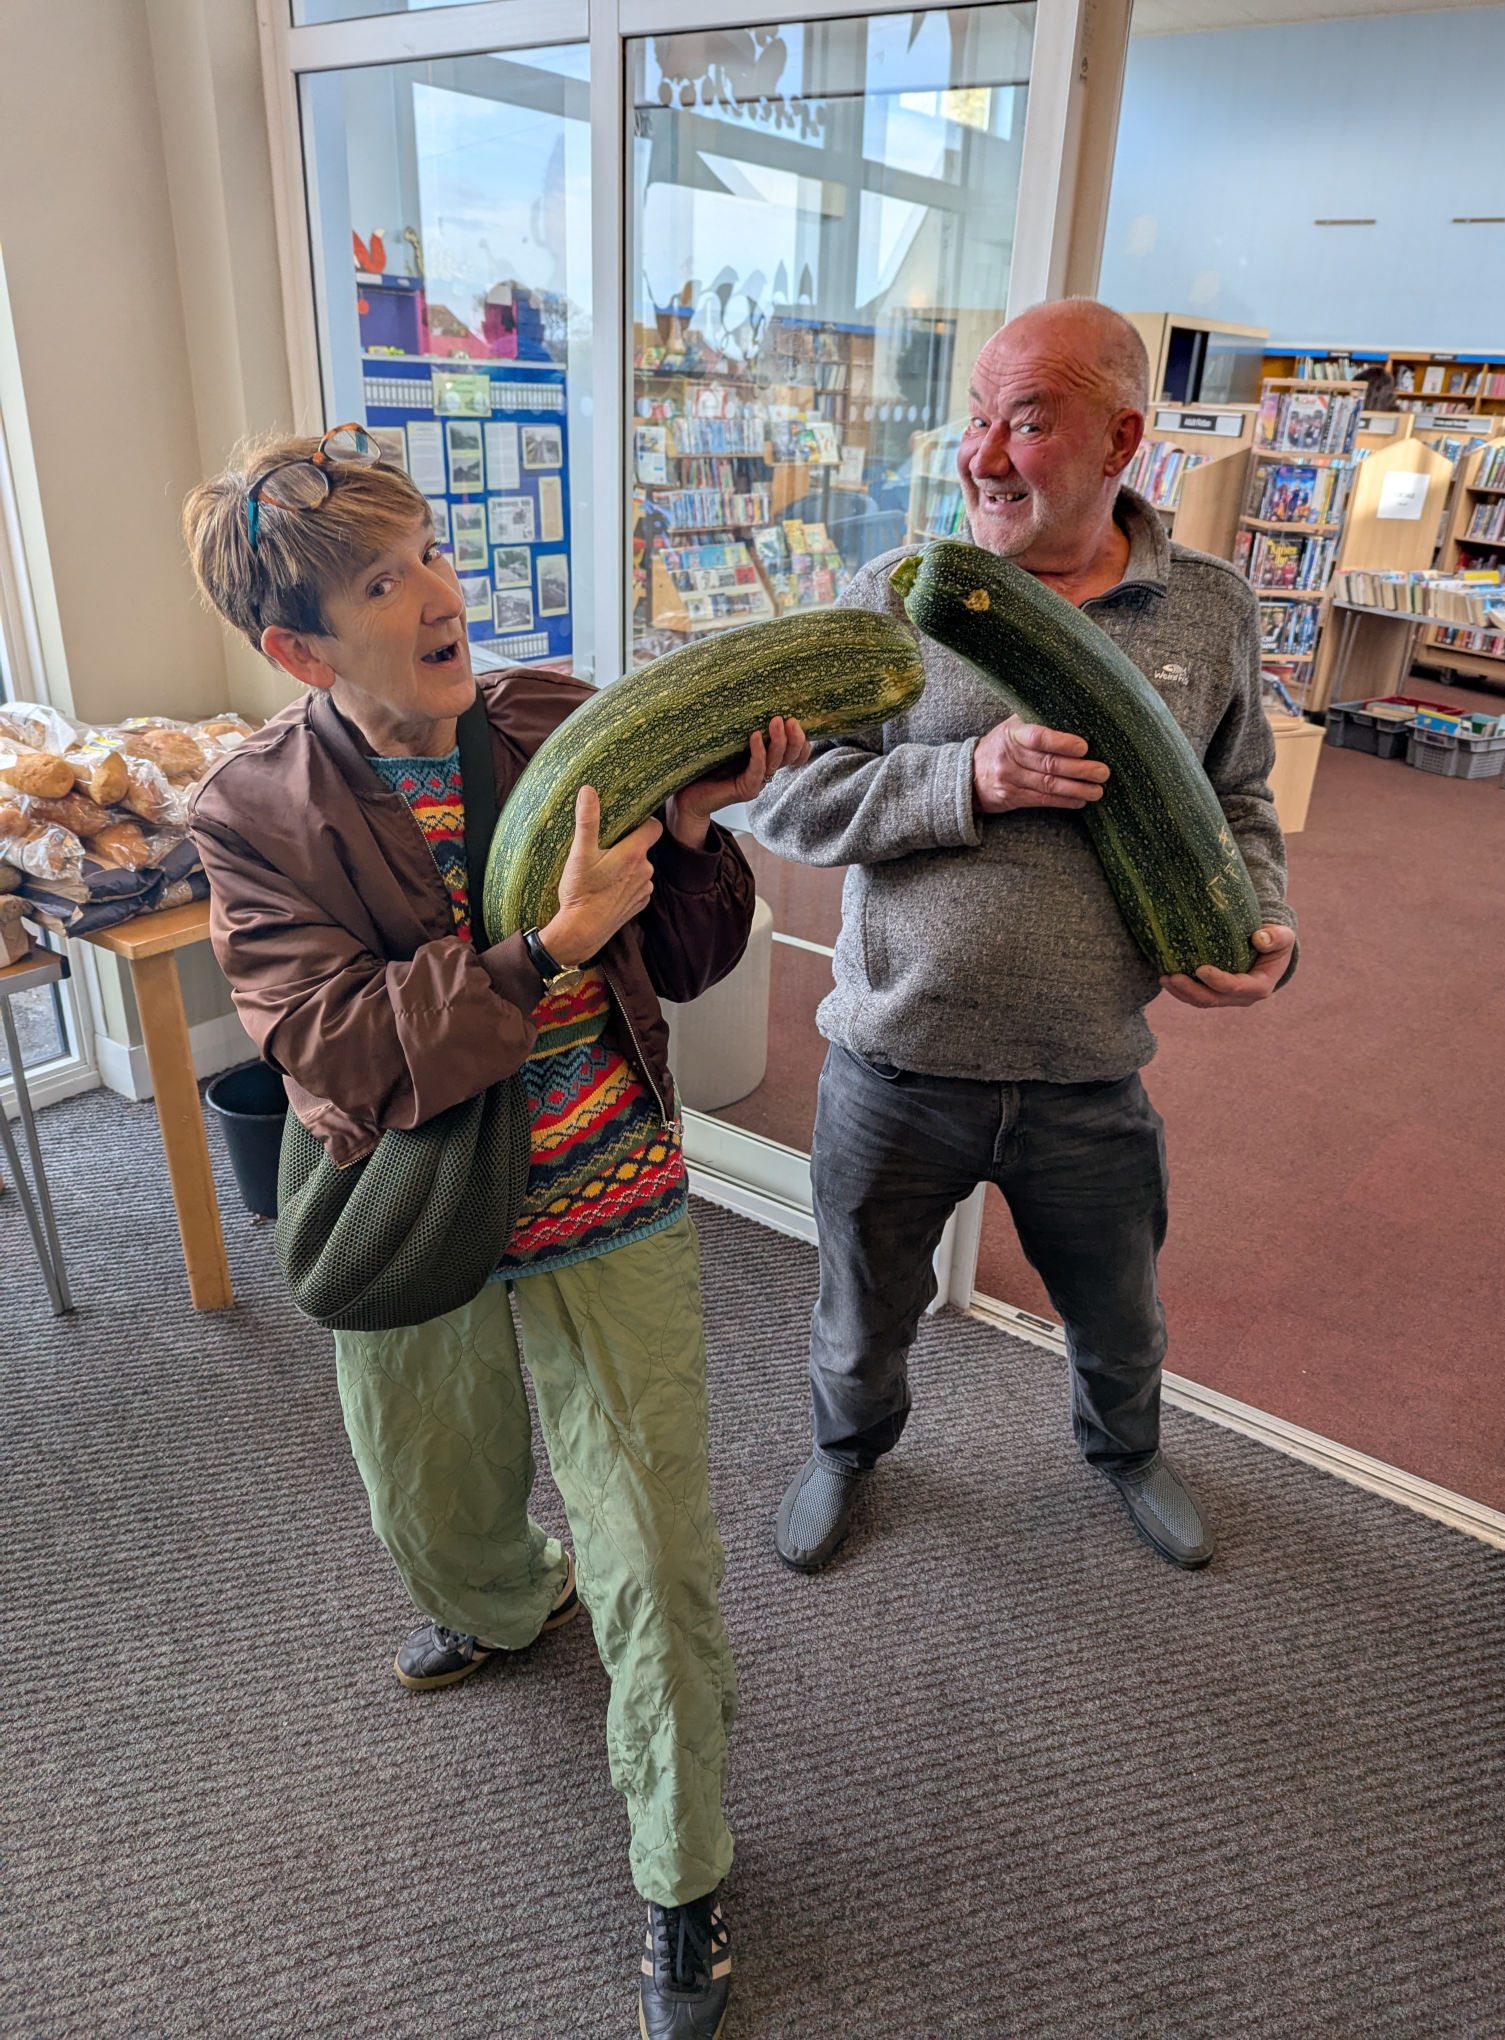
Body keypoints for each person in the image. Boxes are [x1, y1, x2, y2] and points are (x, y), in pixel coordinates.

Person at [183, 428, 808, 2040]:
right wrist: (541, 948)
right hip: (410, 1197)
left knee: (657, 1543)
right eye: (382, 581)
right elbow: (329, 1046)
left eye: (436, 554)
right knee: (432, 1499)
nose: (437, 593)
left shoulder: (551, 719)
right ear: (299, 647)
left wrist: (686, 830)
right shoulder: (253, 810)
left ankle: (683, 1872)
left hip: (602, 1179)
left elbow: (690, 951)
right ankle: (495, 1602)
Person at [751, 298, 1299, 1578]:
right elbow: (787, 797)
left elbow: (1240, 800)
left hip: (1089, 1069)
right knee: (860, 1310)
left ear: (1122, 441)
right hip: (894, 1062)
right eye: (979, 417)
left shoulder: (1208, 610)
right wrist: (964, 780)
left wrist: (1265, 914)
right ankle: (846, 1450)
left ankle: (1127, 1451)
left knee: (1119, 1312)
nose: (984, 456)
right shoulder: (896, 600)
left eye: (1030, 422)